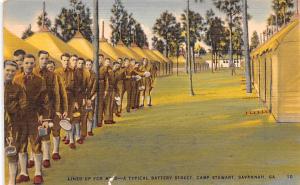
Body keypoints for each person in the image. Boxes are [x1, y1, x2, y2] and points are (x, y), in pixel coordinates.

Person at [14, 54, 49, 184]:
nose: (29, 65)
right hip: (20, 118)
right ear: (22, 64)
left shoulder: (40, 80)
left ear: (34, 65)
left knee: (36, 143)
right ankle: (24, 173)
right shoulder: (16, 79)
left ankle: (38, 173)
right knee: (21, 144)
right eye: (26, 63)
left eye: (31, 63)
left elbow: (45, 101)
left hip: (35, 116)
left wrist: (44, 117)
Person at [31, 50, 60, 168]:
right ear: (38, 59)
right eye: (42, 58)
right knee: (33, 134)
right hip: (32, 109)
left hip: (47, 107)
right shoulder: (32, 72)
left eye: (46, 59)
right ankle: (33, 156)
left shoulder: (51, 75)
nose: (44, 61)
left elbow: (56, 93)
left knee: (45, 132)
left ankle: (46, 157)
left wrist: (56, 109)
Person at [4, 60, 27, 185]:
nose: (10, 73)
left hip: (12, 126)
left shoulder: (18, 88)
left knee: (12, 155)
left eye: (13, 71)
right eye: (7, 70)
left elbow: (23, 107)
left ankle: (11, 182)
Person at [55, 53, 78, 149]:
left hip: (70, 96)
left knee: (70, 118)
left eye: (68, 60)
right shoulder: (57, 72)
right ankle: (63, 139)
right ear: (61, 60)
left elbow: (75, 87)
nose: (66, 62)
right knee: (59, 119)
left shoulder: (72, 72)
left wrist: (76, 100)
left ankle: (71, 140)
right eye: (64, 60)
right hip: (59, 97)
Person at [74, 57, 90, 143]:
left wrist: (85, 98)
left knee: (83, 116)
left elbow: (87, 87)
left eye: (81, 63)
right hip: (75, 97)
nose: (80, 64)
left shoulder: (85, 73)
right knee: (75, 117)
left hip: (82, 96)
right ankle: (74, 136)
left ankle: (82, 135)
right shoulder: (73, 72)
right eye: (78, 63)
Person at [103, 59, 119, 124]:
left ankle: (110, 119)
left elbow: (115, 83)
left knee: (112, 105)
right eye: (116, 66)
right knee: (107, 105)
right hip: (108, 90)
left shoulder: (116, 73)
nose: (117, 67)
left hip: (113, 91)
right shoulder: (110, 72)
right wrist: (106, 90)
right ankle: (106, 119)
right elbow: (107, 82)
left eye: (118, 66)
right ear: (113, 66)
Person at [85, 59, 96, 136]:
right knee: (83, 115)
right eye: (87, 64)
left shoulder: (94, 75)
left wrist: (93, 96)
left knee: (90, 114)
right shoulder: (82, 73)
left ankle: (90, 130)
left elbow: (96, 87)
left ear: (92, 65)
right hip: (83, 97)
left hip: (91, 96)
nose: (88, 66)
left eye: (90, 64)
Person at [96, 54, 107, 127]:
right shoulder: (93, 66)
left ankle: (99, 121)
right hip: (93, 86)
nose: (100, 60)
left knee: (100, 104)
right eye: (98, 58)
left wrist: (106, 90)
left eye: (101, 58)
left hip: (101, 86)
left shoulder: (104, 68)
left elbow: (107, 80)